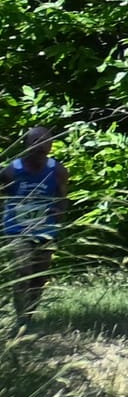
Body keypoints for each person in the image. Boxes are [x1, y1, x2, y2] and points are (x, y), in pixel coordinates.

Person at [5, 125, 67, 320]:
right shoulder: (12, 171)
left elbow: (62, 197)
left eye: (45, 143)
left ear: (51, 146)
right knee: (23, 272)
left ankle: (29, 317)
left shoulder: (57, 171)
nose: (40, 147)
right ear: (26, 145)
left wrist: (59, 213)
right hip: (17, 230)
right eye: (36, 142)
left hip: (45, 229)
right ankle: (21, 317)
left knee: (40, 276)